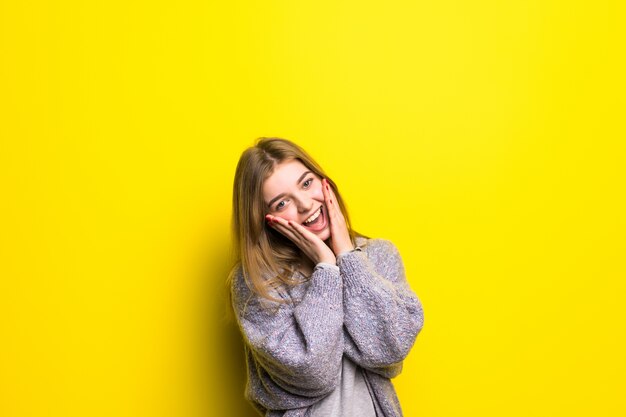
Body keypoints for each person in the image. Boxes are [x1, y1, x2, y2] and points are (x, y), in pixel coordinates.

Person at [228, 137, 424, 416]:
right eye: (282, 203)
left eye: (307, 183)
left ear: (324, 181)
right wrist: (327, 271)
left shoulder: (378, 255)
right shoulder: (257, 283)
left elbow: (390, 346)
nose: (306, 205)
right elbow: (313, 373)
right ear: (264, 219)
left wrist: (347, 257)